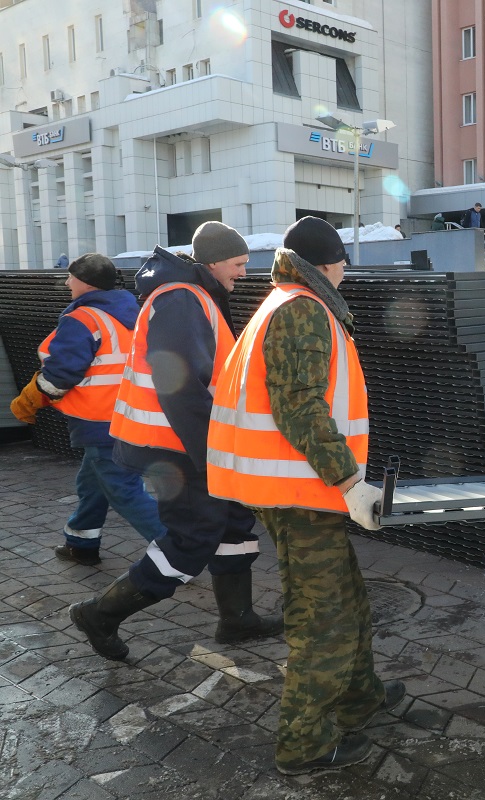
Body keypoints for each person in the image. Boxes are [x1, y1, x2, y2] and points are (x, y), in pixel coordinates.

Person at [207, 216, 404, 775]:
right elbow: (299, 404)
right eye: (344, 262)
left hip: (296, 485)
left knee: (347, 596)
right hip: (297, 489)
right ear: (328, 265)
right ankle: (303, 743)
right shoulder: (302, 309)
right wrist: (351, 484)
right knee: (325, 616)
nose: (346, 271)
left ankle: (359, 697)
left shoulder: (285, 301)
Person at [69, 221, 282, 661]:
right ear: (213, 261)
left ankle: (238, 619)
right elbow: (179, 386)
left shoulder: (191, 294)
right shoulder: (182, 298)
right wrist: (211, 456)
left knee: (233, 522)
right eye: (239, 264)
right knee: (192, 537)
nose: (243, 273)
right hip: (176, 446)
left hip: (183, 441)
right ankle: (100, 614)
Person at [8, 254, 166, 564]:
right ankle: (81, 542)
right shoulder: (135, 314)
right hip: (133, 414)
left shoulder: (83, 319)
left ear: (85, 282)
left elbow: (60, 375)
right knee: (92, 482)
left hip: (99, 421)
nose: (66, 283)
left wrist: (29, 400)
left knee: (123, 490)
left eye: (70, 277)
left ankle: (177, 553)